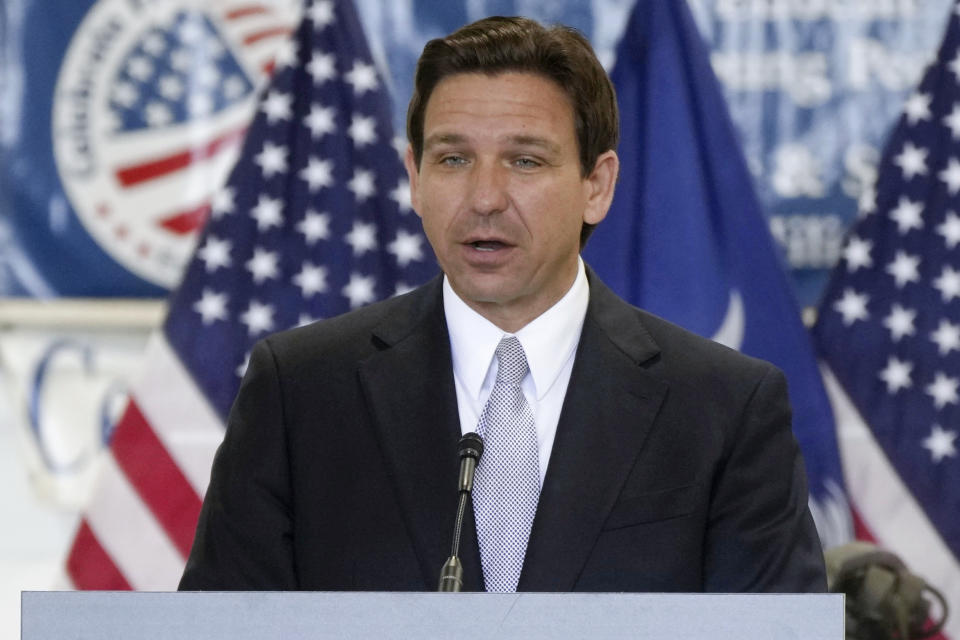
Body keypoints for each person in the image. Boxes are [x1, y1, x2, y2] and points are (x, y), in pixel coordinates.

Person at [179, 15, 826, 593]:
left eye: (524, 160)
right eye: (454, 158)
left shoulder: (724, 410)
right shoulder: (300, 393)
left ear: (596, 186)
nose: (485, 197)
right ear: (415, 179)